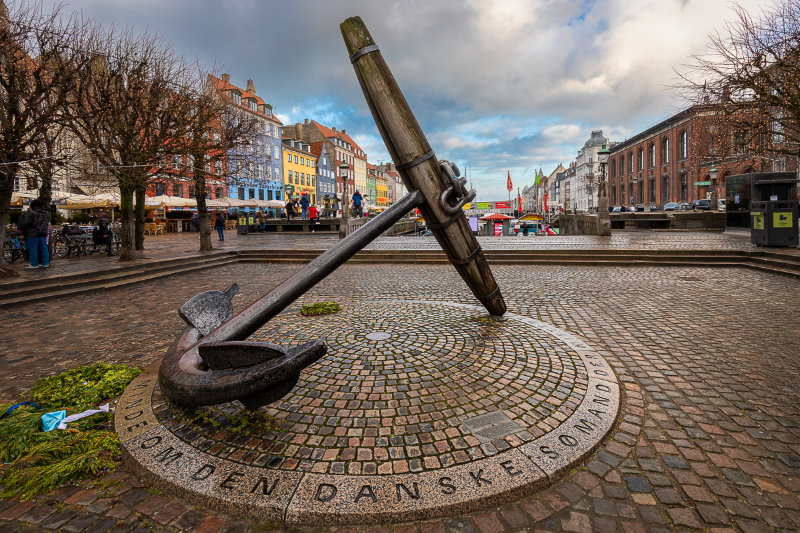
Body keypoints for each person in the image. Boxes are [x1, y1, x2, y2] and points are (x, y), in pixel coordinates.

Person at [16, 199, 51, 268]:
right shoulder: (46, 213)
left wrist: (20, 228)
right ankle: (45, 263)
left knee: (33, 248)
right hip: (43, 232)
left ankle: (34, 264)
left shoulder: (31, 213)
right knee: (44, 248)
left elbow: (25, 223)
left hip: (33, 233)